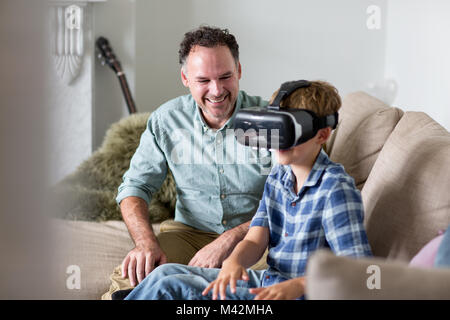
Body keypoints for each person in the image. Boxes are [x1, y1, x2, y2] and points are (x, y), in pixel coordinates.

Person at [124, 80, 373, 300]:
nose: (278, 140)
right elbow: (256, 238)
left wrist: (298, 285)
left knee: (172, 287)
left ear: (322, 134)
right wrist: (233, 262)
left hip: (296, 295)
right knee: (166, 272)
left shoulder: (335, 190)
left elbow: (357, 271)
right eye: (274, 129)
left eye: (289, 131)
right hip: (267, 281)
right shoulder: (278, 175)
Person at [102, 26, 272, 300]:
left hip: (257, 236)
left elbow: (293, 197)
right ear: (185, 78)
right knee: (129, 282)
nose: (216, 91)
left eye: (225, 76)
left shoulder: (270, 121)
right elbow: (135, 186)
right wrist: (145, 243)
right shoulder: (166, 120)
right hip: (188, 233)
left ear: (239, 70)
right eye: (203, 80)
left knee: (267, 286)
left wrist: (230, 238)